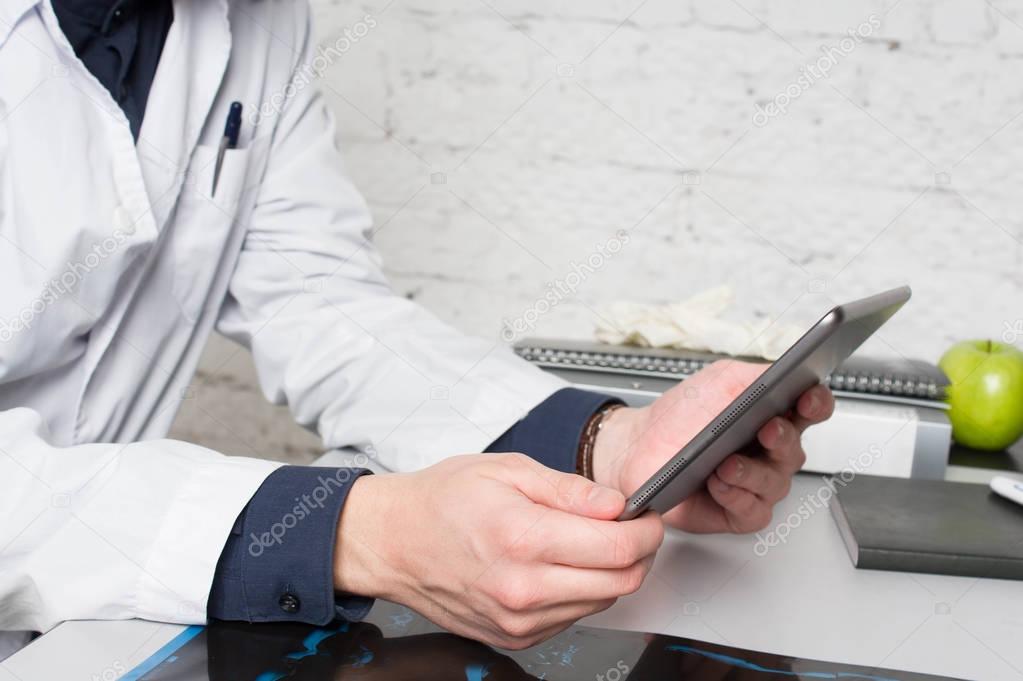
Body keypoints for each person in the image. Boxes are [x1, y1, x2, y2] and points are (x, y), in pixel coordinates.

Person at [0, 0, 834, 654]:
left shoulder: (263, 22)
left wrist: (608, 445)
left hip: (82, 627)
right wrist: (356, 531)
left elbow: (320, 302)